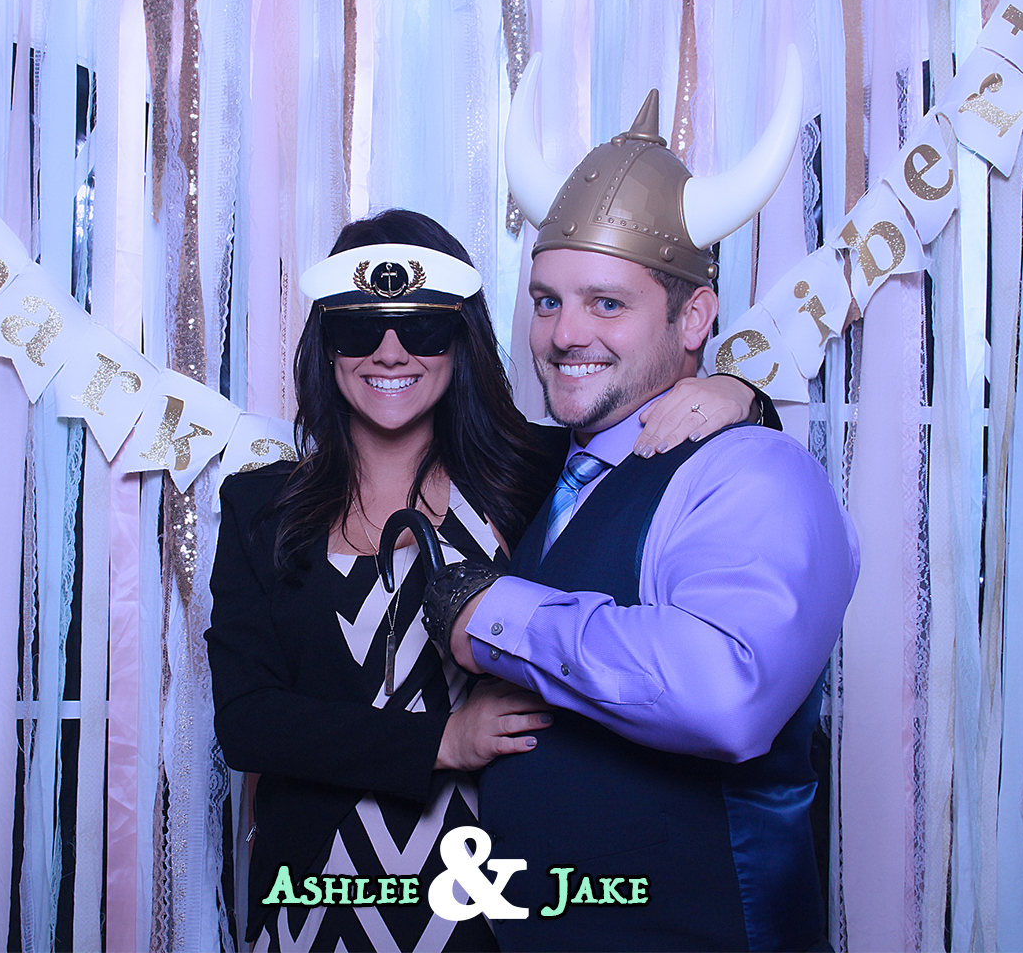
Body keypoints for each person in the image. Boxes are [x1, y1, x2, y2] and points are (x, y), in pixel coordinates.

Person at [206, 209, 767, 951]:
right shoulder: (260, 506)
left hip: (506, 894)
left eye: (422, 328)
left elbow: (688, 475)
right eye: (360, 328)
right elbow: (249, 720)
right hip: (320, 896)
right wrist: (439, 741)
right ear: (327, 344)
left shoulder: (544, 473)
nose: (390, 352)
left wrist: (740, 395)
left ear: (460, 338)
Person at [432, 54, 860, 952]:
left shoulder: (755, 473)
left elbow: (722, 695)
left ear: (695, 318)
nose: (564, 334)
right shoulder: (561, 465)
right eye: (547, 301)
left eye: (606, 304)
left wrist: (499, 616)